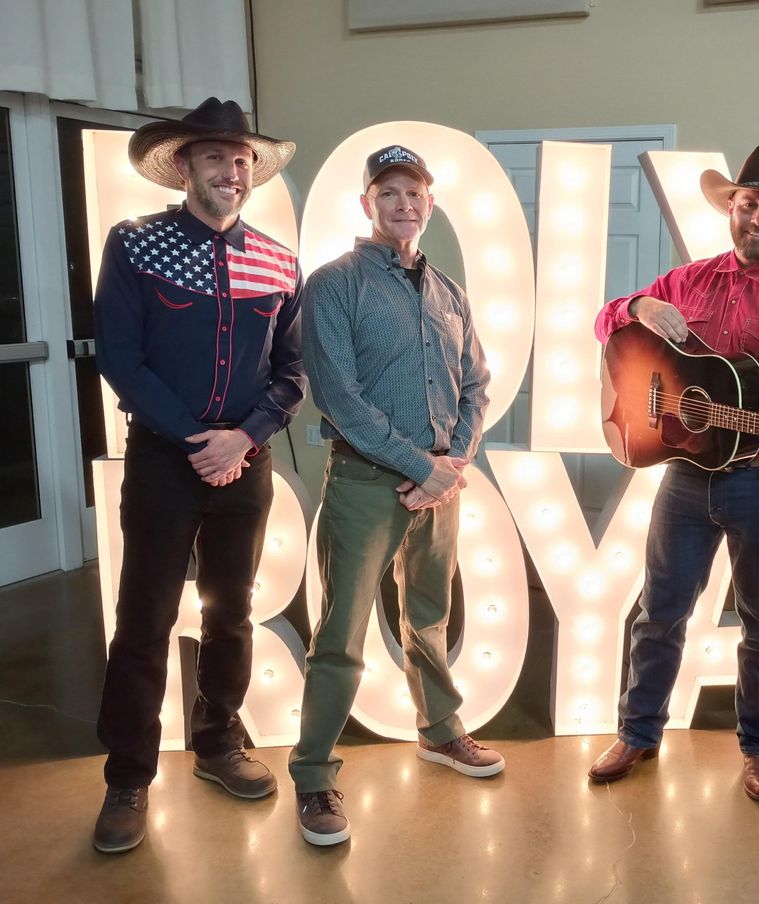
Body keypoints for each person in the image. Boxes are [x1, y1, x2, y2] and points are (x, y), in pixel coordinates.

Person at [590, 145, 759, 802]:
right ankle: (638, 730)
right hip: (684, 474)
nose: (756, 216)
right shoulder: (687, 280)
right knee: (659, 612)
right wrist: (635, 310)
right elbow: (608, 327)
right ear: (731, 209)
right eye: (746, 203)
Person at [92, 98, 305, 853]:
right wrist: (196, 439)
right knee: (144, 621)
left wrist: (241, 439)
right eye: (216, 157)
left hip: (245, 463)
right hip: (163, 461)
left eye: (242, 159)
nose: (232, 170)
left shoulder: (279, 260)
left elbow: (292, 371)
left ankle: (218, 743)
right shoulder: (138, 245)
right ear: (183, 166)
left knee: (232, 612)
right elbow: (119, 356)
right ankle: (128, 776)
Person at [289, 145, 495, 846]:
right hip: (365, 485)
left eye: (415, 193)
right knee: (341, 633)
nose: (403, 204)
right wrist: (418, 464)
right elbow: (339, 397)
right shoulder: (333, 285)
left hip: (440, 484)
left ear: (430, 206)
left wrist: (452, 459)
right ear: (367, 204)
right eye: (388, 193)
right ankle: (314, 775)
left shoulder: (448, 292)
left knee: (430, 616)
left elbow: (475, 383)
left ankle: (439, 732)